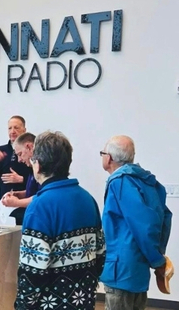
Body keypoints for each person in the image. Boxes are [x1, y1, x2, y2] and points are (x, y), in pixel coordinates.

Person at [15, 131, 105, 310]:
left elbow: (32, 271)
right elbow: (101, 255)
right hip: (84, 301)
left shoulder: (39, 206)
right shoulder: (88, 199)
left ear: (38, 165)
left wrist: (22, 305)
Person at [100, 135, 172, 310]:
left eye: (102, 153)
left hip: (122, 270)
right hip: (138, 268)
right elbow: (165, 218)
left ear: (109, 158)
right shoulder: (148, 182)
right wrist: (158, 255)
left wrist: (157, 260)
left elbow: (142, 225)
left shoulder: (120, 182)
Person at [0, 115, 32, 224]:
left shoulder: (31, 151)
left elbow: (40, 182)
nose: (12, 131)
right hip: (6, 209)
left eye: (16, 128)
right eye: (10, 128)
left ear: (24, 130)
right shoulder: (1, 151)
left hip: (27, 207)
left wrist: (22, 179)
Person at [1, 132, 40, 210]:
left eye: (20, 154)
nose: (19, 160)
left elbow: (42, 197)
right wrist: (18, 194)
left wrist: (17, 203)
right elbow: (34, 191)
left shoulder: (43, 169)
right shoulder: (32, 169)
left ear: (29, 147)